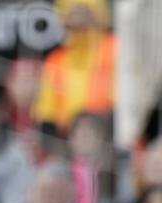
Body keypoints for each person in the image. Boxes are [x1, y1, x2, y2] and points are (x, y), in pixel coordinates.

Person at [34, 0, 115, 141]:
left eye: (83, 11)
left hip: (110, 139)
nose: (78, 19)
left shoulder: (115, 50)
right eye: (72, 12)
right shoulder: (56, 59)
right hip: (68, 144)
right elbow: (46, 114)